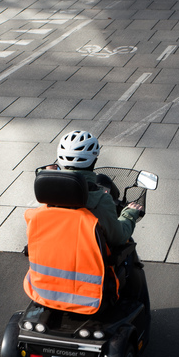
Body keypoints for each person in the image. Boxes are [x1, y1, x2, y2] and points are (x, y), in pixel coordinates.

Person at [41, 130, 150, 314]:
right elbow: (118, 236)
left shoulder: (46, 193)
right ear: (94, 160)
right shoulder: (99, 200)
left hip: (47, 280)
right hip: (90, 285)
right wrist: (129, 214)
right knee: (126, 248)